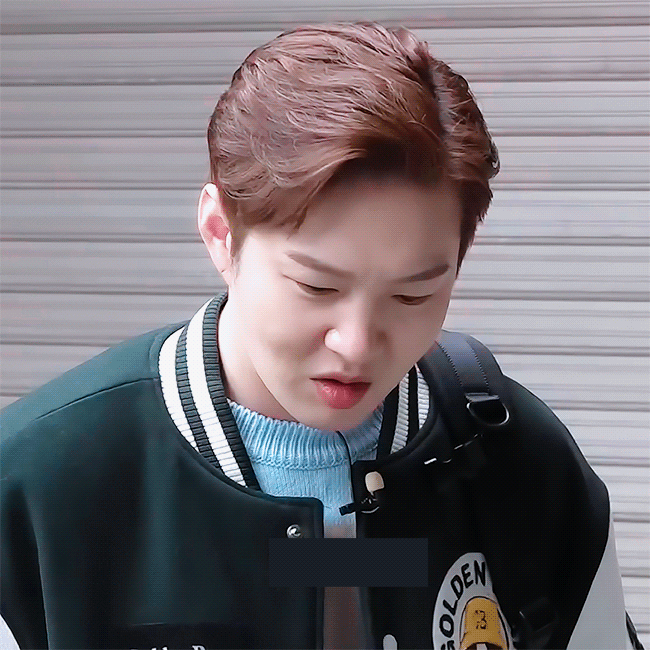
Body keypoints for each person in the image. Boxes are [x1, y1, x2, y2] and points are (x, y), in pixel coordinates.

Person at [0, 22, 642, 650]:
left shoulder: (517, 458)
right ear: (221, 233)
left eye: (412, 296)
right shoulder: (38, 488)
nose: (357, 345)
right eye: (316, 286)